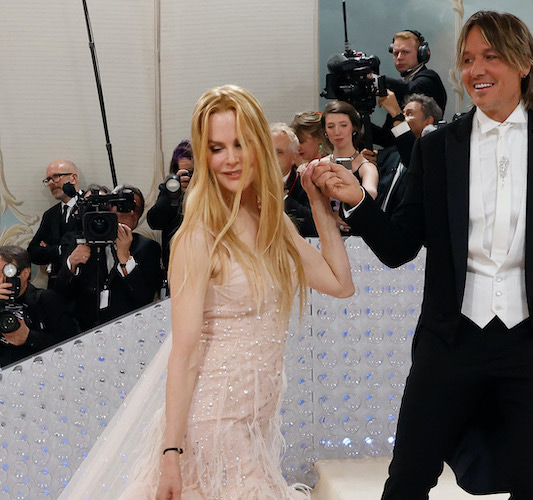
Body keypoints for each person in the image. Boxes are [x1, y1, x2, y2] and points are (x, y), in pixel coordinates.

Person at [311, 10, 533, 499]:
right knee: (408, 478)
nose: (476, 69)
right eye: (468, 58)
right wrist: (358, 201)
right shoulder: (438, 147)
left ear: (525, 63)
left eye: (491, 56)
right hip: (449, 342)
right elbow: (398, 247)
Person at [59, 85, 354, 499]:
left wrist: (319, 204)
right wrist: (170, 454)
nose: (230, 158)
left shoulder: (272, 224)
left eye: (240, 144)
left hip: (254, 422)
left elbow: (341, 284)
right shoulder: (198, 237)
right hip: (214, 422)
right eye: (217, 148)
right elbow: (184, 354)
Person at [55, 185, 162, 331]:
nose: (129, 212)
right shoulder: (80, 242)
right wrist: (71, 264)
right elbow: (60, 294)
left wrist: (125, 258)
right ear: (109, 208)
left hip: (127, 329)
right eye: (121, 206)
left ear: (139, 217)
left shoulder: (148, 248)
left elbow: (145, 299)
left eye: (135, 209)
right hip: (82, 330)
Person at [0, 245, 79, 367]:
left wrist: (29, 337)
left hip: (38, 373)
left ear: (25, 273)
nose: (2, 279)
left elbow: (71, 342)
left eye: (7, 272)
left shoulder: (47, 299)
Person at [374, 30, 447, 148]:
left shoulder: (429, 78)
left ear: (421, 53)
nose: (399, 57)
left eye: (405, 52)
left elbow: (410, 88)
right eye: (395, 53)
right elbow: (387, 138)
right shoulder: (401, 89)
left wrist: (374, 80)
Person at [373, 92, 443, 214]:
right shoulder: (391, 154)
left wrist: (396, 114)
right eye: (403, 114)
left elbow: (415, 160)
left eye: (409, 114)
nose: (403, 118)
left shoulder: (437, 151)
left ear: (428, 121)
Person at [27, 160, 81, 289]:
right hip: (56, 288)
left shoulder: (91, 207)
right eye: (48, 180)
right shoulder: (50, 215)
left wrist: (49, 250)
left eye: (56, 177)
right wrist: (60, 249)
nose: (51, 183)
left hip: (85, 286)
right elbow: (32, 252)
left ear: (73, 178)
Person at [147, 140, 193, 271]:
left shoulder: (211, 190)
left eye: (191, 171)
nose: (187, 177)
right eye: (182, 172)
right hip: (176, 262)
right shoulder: (169, 190)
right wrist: (173, 195)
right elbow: (154, 222)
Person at [323, 100, 379, 200]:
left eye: (343, 125)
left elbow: (369, 196)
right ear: (325, 131)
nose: (337, 132)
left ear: (353, 127)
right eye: (331, 126)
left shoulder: (366, 167)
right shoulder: (319, 164)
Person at [271, 122, 317, 236]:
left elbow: (313, 225)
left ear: (294, 157)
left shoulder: (307, 184)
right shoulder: (249, 183)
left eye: (278, 152)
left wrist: (283, 197)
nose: (270, 157)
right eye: (267, 151)